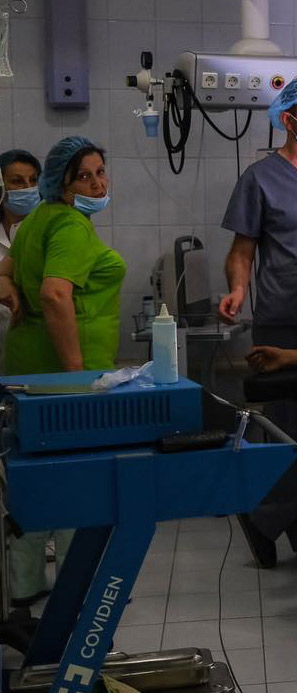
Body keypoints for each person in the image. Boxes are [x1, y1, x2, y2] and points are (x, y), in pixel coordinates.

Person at [218, 76, 297, 573]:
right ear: (288, 120)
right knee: (295, 434)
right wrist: (239, 290)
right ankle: (293, 532)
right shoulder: (261, 178)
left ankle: (288, 529)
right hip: (282, 317)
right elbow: (241, 251)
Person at [0, 136, 124, 607]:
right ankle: (77, 589)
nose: (97, 183)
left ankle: (24, 588)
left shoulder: (36, 222)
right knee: (78, 487)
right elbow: (56, 294)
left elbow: (4, 269)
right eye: (84, 176)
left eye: (100, 171)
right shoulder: (70, 226)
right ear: (61, 184)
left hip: (28, 371)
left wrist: (10, 289)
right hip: (66, 378)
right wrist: (76, 374)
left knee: (37, 484)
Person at [0, 149, 42, 373]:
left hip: (35, 352)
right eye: (17, 181)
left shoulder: (47, 230)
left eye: (33, 180)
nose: (27, 187)